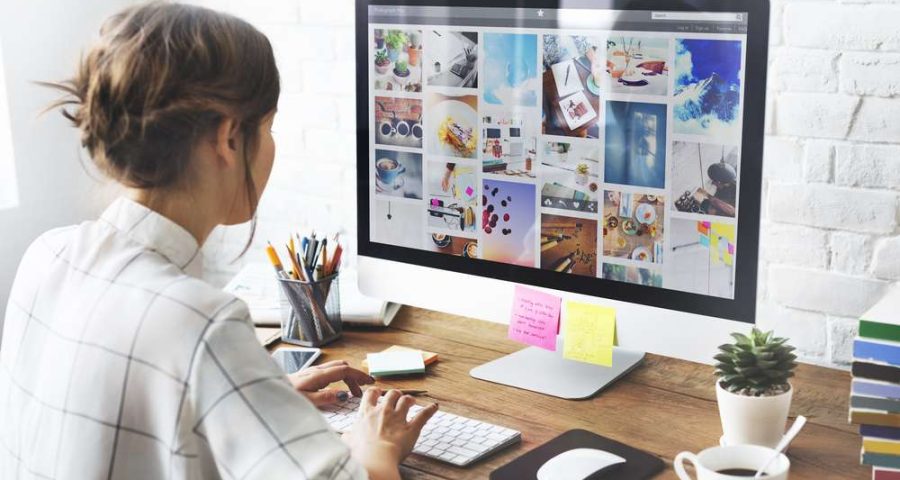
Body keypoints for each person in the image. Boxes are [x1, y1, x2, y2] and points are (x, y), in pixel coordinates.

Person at [0, 3, 437, 479]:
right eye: (268, 128)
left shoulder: (48, 254)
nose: (271, 146)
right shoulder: (200, 321)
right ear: (229, 138)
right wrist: (375, 444)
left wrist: (252, 397)